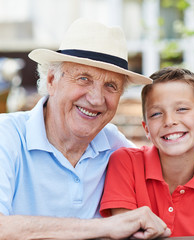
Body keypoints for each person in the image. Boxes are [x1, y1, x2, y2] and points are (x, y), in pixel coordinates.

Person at [0, 18, 170, 239]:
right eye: (83, 78)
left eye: (111, 86)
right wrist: (106, 227)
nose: (96, 98)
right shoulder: (6, 135)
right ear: (52, 80)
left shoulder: (116, 147)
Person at [100, 67, 194, 237]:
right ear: (147, 129)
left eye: (182, 109)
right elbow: (125, 233)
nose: (169, 121)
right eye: (156, 113)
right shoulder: (125, 164)